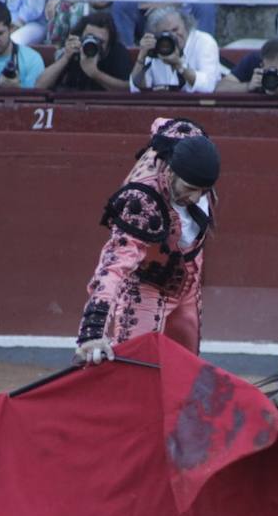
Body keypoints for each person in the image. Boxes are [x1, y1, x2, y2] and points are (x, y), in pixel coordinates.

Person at [75, 117, 220, 364]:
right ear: (170, 171)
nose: (196, 198)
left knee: (185, 369)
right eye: (189, 188)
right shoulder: (141, 201)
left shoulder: (189, 140)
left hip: (188, 285)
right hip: (145, 289)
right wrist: (92, 330)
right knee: (135, 370)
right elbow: (113, 266)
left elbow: (162, 123)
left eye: (203, 190)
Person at [129, 6, 220, 93]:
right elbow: (136, 89)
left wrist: (179, 66)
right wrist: (142, 56)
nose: (173, 36)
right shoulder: (158, 44)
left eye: (175, 29)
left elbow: (208, 86)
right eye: (165, 33)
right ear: (156, 34)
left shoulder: (204, 42)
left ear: (186, 25)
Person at [35, 11, 132, 91]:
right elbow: (40, 86)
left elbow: (128, 89)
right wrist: (65, 57)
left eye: (100, 41)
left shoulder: (117, 52)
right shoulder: (74, 50)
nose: (94, 43)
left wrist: (95, 73)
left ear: (109, 43)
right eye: (89, 37)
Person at [111, 0, 217, 47]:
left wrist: (175, 0)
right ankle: (127, 54)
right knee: (122, 5)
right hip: (149, 15)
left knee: (205, 6)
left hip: (183, 15)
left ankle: (202, 52)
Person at [44, 0, 118, 48]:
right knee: (58, 7)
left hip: (99, 13)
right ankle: (57, 50)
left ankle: (78, 47)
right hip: (66, 11)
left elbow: (100, 0)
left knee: (79, 7)